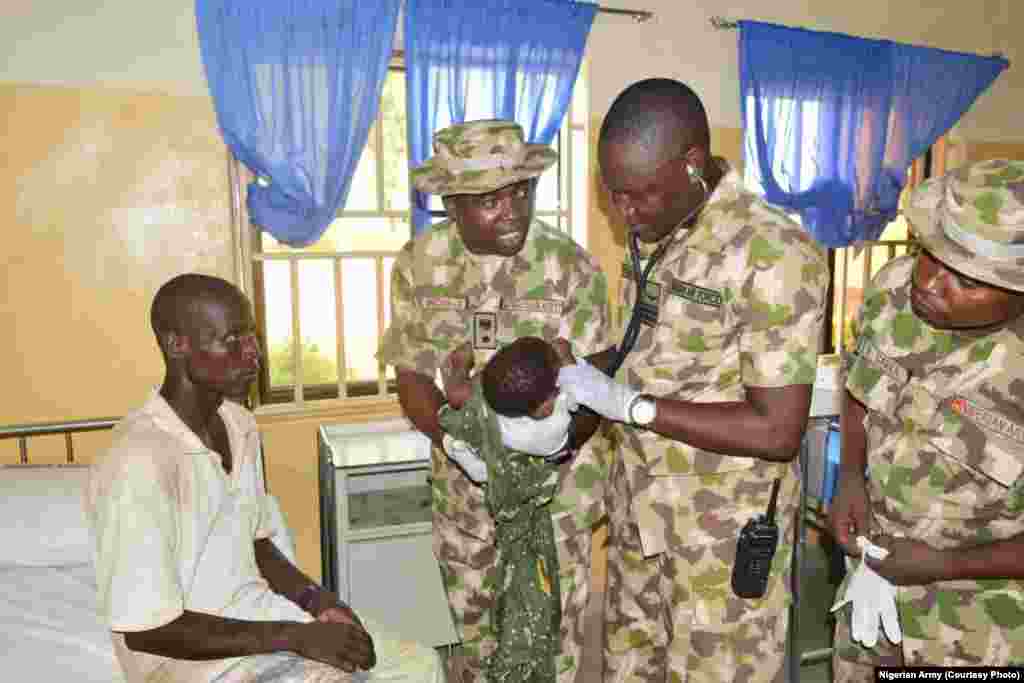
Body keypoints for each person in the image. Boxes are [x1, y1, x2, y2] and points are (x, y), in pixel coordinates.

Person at [580, 78, 829, 682]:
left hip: (717, 541)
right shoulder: (664, 233)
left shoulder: (772, 251)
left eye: (639, 196)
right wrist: (582, 376)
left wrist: (634, 407)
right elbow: (652, 349)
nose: (626, 213)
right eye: (614, 196)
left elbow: (777, 430)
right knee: (629, 668)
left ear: (693, 165)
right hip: (644, 513)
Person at [85, 273, 442, 683]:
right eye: (232, 339)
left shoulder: (238, 425)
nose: (253, 352)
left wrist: (319, 602)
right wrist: (296, 637)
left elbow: (257, 543)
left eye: (251, 335)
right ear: (176, 344)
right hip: (190, 663)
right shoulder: (139, 462)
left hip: (259, 621)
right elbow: (148, 631)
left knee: (420, 665)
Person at [377, 119, 611, 683]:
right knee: (480, 655)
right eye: (488, 199)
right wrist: (471, 447)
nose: (511, 210)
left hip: (554, 502)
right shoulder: (418, 265)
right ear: (451, 204)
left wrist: (544, 451)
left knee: (551, 654)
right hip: (468, 503)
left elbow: (596, 381)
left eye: (520, 192)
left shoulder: (571, 268)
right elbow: (412, 378)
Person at [827, 158, 1024, 675]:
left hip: (980, 625)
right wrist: (850, 478)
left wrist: (947, 565)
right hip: (870, 590)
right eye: (930, 255)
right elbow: (859, 388)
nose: (930, 283)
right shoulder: (892, 292)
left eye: (967, 280)